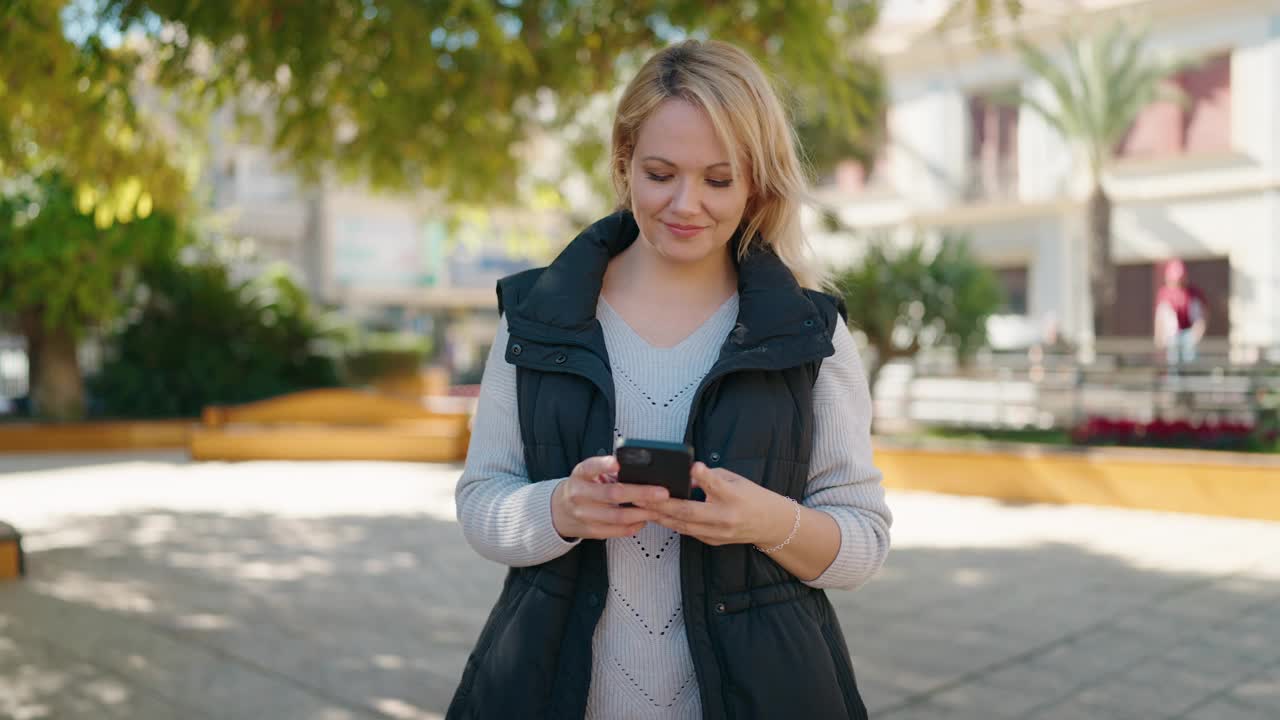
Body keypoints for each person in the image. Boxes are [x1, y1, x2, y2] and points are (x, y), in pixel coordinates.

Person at [448, 40, 892, 720]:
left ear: (756, 185)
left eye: (719, 180)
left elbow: (863, 544)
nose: (687, 205)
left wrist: (764, 521)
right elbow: (483, 503)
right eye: (661, 174)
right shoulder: (536, 317)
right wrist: (561, 510)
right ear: (624, 162)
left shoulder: (812, 335)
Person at [1154, 258, 1208, 368]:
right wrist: (1158, 337)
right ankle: (1175, 383)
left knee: (1190, 362)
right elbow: (1160, 317)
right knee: (1174, 362)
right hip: (1172, 334)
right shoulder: (1164, 294)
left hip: (1190, 334)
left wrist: (1198, 331)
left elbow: (1202, 316)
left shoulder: (1193, 292)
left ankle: (1189, 381)